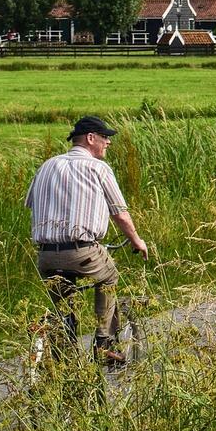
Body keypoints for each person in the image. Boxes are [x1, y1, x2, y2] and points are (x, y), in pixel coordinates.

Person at [25, 115, 148, 364]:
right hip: (82, 252)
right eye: (105, 138)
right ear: (91, 138)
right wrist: (136, 240)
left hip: (46, 254)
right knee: (109, 277)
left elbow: (30, 204)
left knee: (63, 303)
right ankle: (104, 342)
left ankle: (63, 354)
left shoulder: (46, 165)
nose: (108, 143)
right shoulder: (98, 168)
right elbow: (120, 214)